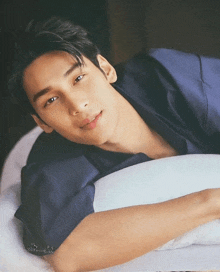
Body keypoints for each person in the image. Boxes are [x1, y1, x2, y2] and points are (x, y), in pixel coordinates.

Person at [9, 17, 220, 272]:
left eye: (78, 79)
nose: (77, 105)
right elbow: (67, 254)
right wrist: (209, 202)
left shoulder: (173, 76)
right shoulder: (52, 164)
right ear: (42, 122)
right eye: (51, 100)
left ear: (106, 69)